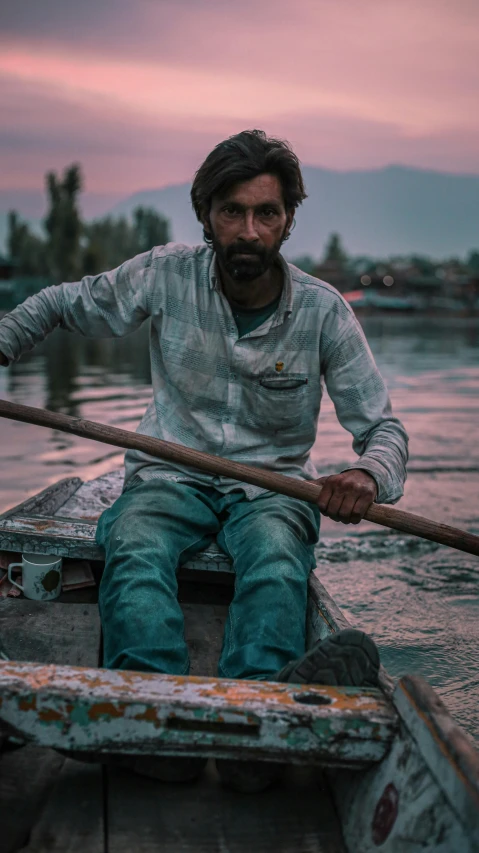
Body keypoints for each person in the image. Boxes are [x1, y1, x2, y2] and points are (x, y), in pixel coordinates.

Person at [0, 129, 408, 792]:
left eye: (266, 214)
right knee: (133, 546)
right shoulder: (163, 274)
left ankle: (254, 726)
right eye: (232, 212)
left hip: (269, 489)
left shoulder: (323, 312)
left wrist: (366, 475)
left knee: (277, 556)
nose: (249, 230)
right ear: (207, 218)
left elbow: (382, 428)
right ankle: (156, 724)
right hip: (170, 475)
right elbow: (59, 303)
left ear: (286, 222)